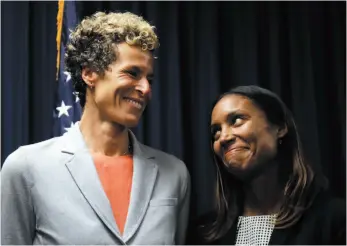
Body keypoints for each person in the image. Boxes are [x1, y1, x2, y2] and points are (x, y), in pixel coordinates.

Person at [1, 11, 190, 245]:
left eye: (149, 80)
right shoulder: (25, 167)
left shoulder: (175, 174)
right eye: (132, 73)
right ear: (90, 73)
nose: (145, 88)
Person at [187, 85, 345, 245]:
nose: (223, 137)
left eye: (236, 120)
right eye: (216, 131)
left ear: (280, 127)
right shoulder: (203, 233)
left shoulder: (334, 221)